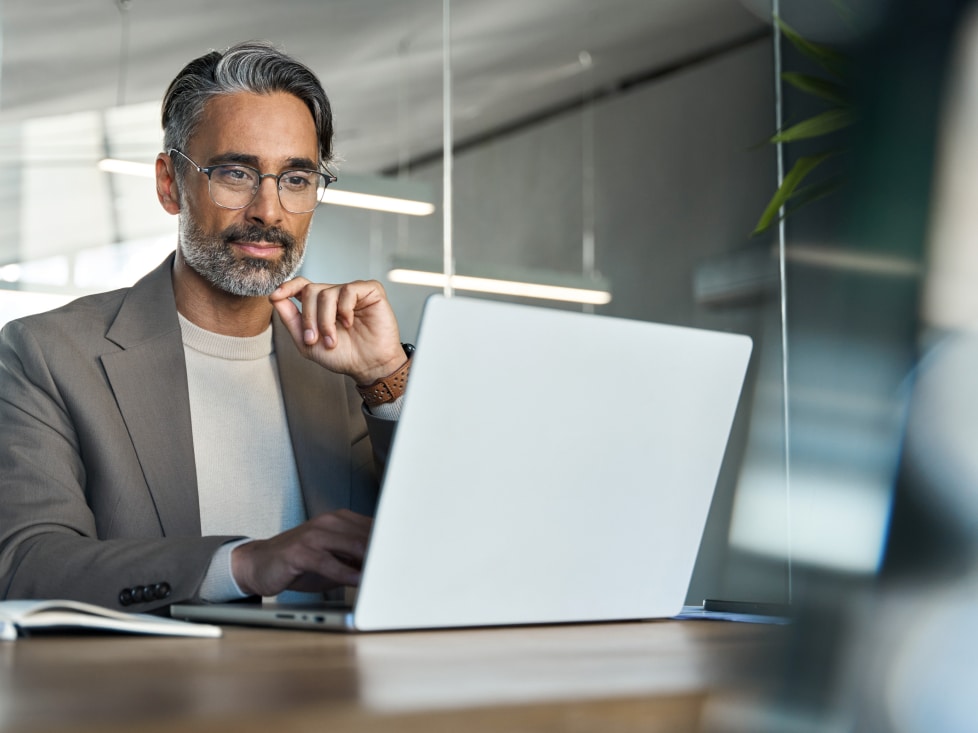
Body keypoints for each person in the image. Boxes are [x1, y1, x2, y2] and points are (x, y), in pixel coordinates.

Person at [0, 41, 412, 612]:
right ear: (171, 184)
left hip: (336, 694)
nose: (269, 211)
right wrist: (244, 563)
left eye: (296, 179)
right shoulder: (47, 354)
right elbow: (26, 565)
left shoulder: (347, 370)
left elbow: (450, 537)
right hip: (152, 697)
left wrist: (385, 380)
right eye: (236, 173)